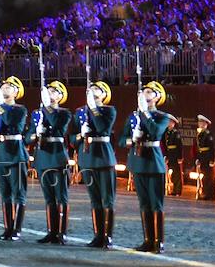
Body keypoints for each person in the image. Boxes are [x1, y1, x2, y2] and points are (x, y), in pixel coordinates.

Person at [124, 80, 172, 253]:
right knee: (144, 203)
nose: (145, 94)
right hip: (138, 162)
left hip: (153, 162)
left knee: (156, 203)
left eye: (149, 92)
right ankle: (147, 240)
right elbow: (123, 139)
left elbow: (155, 132)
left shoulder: (162, 116)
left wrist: (144, 112)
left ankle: (159, 241)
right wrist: (132, 140)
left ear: (157, 97)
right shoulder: (133, 117)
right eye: (143, 92)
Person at [74, 80, 117, 248]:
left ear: (104, 94)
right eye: (90, 89)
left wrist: (93, 109)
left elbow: (102, 128)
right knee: (95, 199)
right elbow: (71, 137)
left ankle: (108, 236)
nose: (92, 91)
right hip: (87, 157)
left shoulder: (108, 110)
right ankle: (98, 235)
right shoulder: (80, 112)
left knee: (107, 199)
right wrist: (79, 136)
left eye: (97, 89)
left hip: (103, 157)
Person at [0, 75, 30, 241]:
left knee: (18, 193)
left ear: (16, 92)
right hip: (1, 152)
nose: (5, 89)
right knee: (5, 193)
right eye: (3, 87)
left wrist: (0, 107)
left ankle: (16, 229)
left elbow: (12, 123)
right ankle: (7, 228)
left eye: (9, 87)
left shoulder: (20, 109)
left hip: (16, 154)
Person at [32, 80, 72, 245]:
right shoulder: (38, 113)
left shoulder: (64, 113)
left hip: (57, 157)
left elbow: (57, 125)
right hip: (42, 157)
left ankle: (61, 233)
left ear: (60, 96)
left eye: (54, 91)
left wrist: (46, 108)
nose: (50, 93)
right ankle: (51, 232)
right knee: (49, 198)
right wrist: (35, 134)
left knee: (60, 196)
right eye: (48, 90)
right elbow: (28, 136)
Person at [164, 117, 182, 196]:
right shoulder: (166, 132)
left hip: (174, 154)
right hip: (169, 153)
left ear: (173, 123)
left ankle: (177, 190)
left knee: (176, 173)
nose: (168, 124)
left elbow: (179, 146)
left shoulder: (175, 133)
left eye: (170, 122)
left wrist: (179, 157)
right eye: (168, 122)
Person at [197, 115, 215, 200]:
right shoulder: (201, 134)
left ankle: (209, 194)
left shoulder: (208, 134)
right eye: (199, 122)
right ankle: (205, 193)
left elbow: (212, 148)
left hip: (207, 157)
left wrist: (212, 159)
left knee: (209, 177)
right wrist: (198, 159)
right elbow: (199, 148)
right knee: (204, 176)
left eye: (202, 122)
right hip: (203, 157)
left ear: (206, 124)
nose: (200, 124)